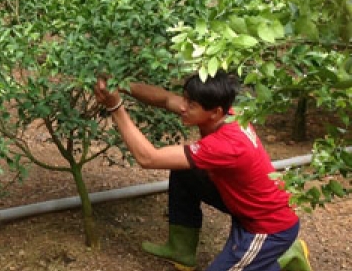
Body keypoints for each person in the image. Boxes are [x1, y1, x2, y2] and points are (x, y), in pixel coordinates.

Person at [93, 71, 312, 271]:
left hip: (267, 227)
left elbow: (148, 158)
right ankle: (182, 250)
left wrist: (115, 107)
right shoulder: (224, 110)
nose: (183, 107)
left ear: (215, 112)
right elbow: (166, 98)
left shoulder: (227, 144)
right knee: (185, 171)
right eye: (186, 99)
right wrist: (120, 84)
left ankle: (286, 257)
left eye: (191, 105)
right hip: (246, 203)